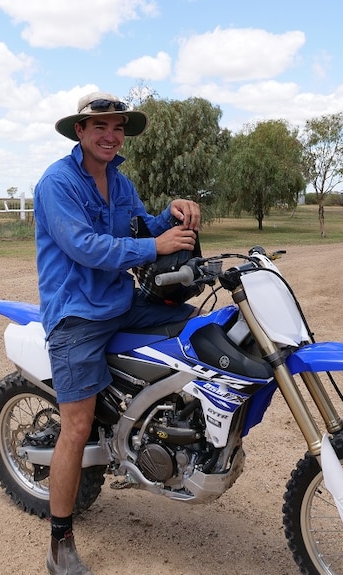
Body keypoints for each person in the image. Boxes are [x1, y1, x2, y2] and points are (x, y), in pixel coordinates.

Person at [33, 92, 201, 575]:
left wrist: (170, 216)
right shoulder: (58, 182)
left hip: (118, 303)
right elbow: (85, 246)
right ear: (80, 132)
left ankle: (149, 427)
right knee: (77, 427)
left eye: (118, 127)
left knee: (192, 325)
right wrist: (154, 244)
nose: (110, 135)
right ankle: (59, 541)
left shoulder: (120, 181)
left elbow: (136, 226)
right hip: (77, 316)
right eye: (100, 126)